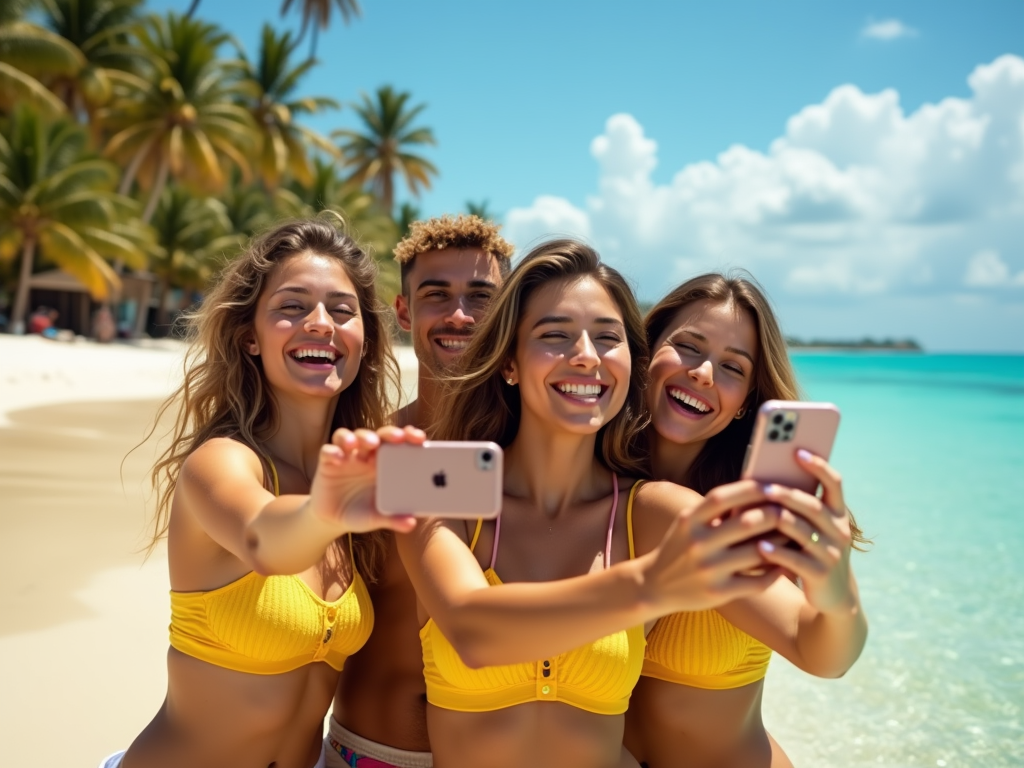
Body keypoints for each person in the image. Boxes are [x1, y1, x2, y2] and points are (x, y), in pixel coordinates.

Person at [393, 241, 790, 768]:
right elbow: (470, 628)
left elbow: (817, 641)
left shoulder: (664, 510)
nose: (702, 374)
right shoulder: (434, 475)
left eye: (606, 338)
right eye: (555, 335)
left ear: (627, 358)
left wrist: (831, 574)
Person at [102, 218, 415, 768]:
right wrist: (329, 506)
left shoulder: (350, 474)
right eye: (292, 306)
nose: (320, 324)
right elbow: (268, 540)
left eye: (342, 310)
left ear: (364, 340)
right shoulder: (220, 463)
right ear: (250, 335)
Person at [623, 273, 870, 768]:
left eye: (732, 368)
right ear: (645, 355)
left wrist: (836, 589)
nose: (704, 374)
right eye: (689, 347)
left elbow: (825, 654)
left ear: (744, 406)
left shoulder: (744, 523)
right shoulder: (589, 493)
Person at [327, 215, 514, 768]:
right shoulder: (368, 455)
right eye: (438, 295)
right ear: (404, 310)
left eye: (481, 297)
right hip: (369, 752)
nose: (460, 315)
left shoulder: (545, 460)